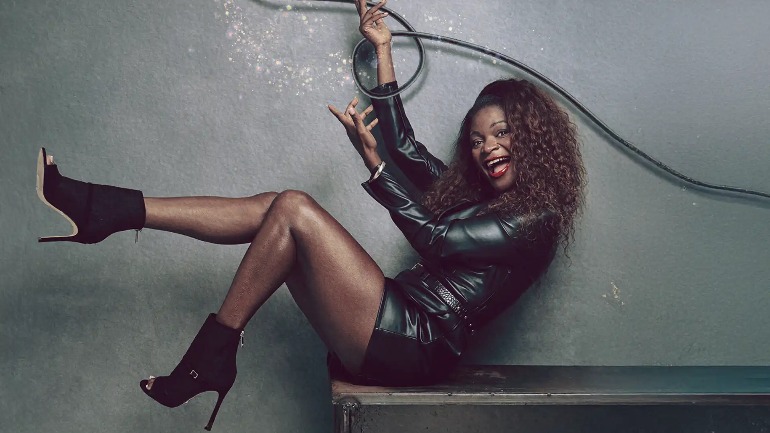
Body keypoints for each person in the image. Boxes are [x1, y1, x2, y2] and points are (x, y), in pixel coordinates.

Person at [34, 0, 585, 429]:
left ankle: (211, 353)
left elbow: (436, 239)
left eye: (502, 133)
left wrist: (374, 168)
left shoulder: (535, 220)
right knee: (277, 209)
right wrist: (383, 49)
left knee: (293, 207)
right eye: (478, 139)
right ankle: (109, 210)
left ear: (532, 138)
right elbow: (405, 146)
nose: (488, 148)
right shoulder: (481, 198)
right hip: (396, 323)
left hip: (415, 343)